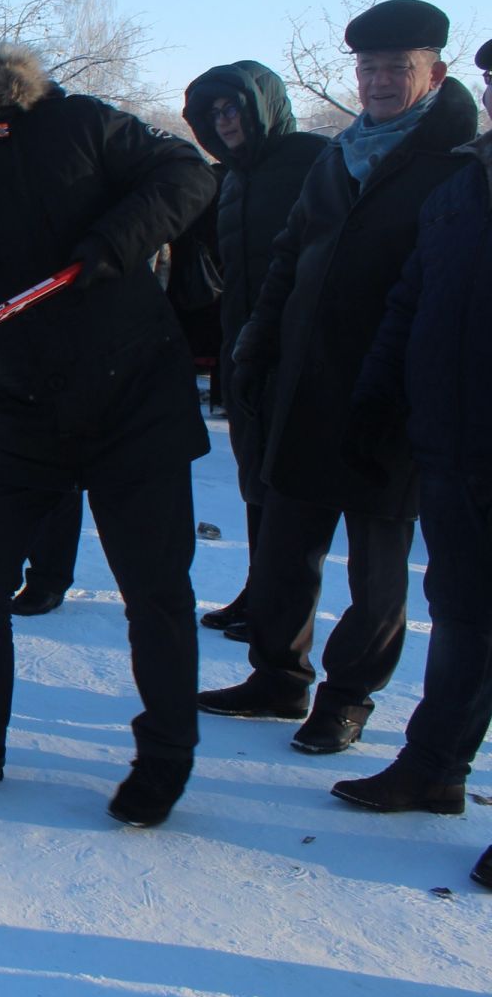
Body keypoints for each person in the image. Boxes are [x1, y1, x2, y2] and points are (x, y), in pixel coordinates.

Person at [0, 0, 216, 827]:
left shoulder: (75, 125)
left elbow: (187, 174)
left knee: (154, 591)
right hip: (20, 411)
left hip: (134, 399)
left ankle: (166, 754)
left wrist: (114, 243)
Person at [202, 0, 480, 753]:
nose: (380, 82)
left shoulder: (454, 163)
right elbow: (292, 254)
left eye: (398, 68)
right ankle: (277, 676)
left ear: (436, 73)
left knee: (377, 561)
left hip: (389, 393)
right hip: (304, 379)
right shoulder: (340, 152)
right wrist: (256, 345)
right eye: (369, 68)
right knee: (287, 541)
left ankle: (348, 696)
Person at [331, 38, 492, 891]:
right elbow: (411, 300)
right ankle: (434, 767)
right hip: (457, 443)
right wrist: (376, 399)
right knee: (462, 615)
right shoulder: (463, 186)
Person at [177, 61, 326, 638]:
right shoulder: (232, 176)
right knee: (255, 476)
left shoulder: (312, 160)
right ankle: (260, 588)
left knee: (290, 488)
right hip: (245, 347)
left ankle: (282, 607)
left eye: (233, 108)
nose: (225, 121)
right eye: (213, 114)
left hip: (298, 349)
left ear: (261, 106)